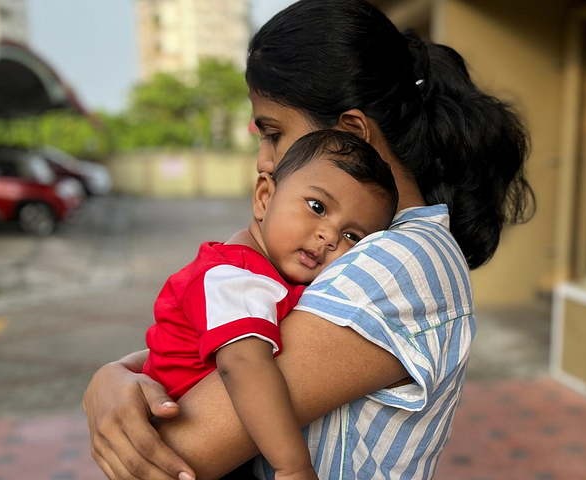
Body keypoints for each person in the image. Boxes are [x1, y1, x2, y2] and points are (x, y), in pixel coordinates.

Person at [81, 1, 534, 478]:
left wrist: (123, 396)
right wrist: (116, 378)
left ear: (352, 133)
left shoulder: (400, 263)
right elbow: (216, 343)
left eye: (273, 133)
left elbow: (175, 455)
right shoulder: (361, 246)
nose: (264, 159)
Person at [142, 131, 398, 480]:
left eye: (353, 236)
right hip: (189, 453)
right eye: (317, 207)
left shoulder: (258, 273)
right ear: (264, 196)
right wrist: (292, 465)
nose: (330, 236)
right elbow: (244, 365)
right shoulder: (238, 278)